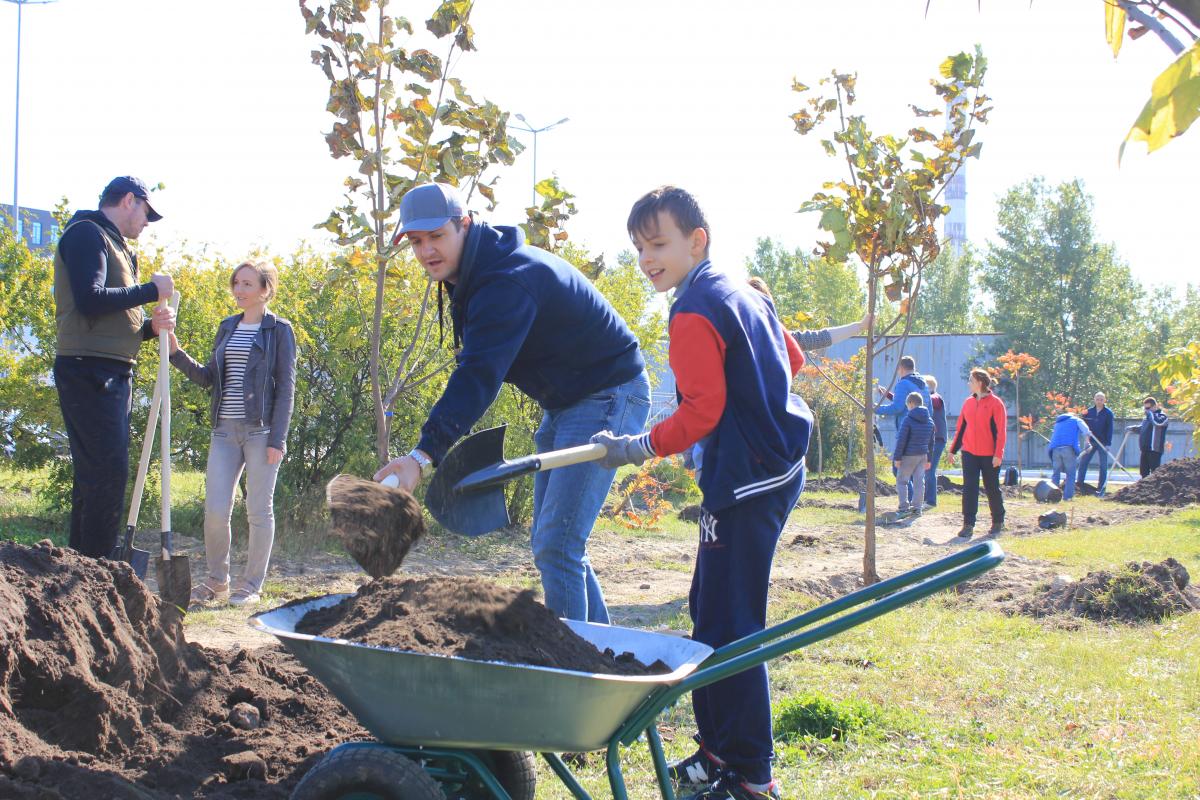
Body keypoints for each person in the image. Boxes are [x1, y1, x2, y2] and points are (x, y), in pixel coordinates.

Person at [592, 186, 811, 800]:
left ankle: (750, 775)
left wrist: (638, 445)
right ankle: (719, 751)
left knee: (730, 627)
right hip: (775, 468)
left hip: (747, 481)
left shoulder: (692, 311)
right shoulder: (740, 289)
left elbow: (701, 412)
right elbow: (791, 359)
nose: (646, 259)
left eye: (658, 244)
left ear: (697, 240)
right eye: (638, 248)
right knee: (708, 610)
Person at [374, 183, 649, 624]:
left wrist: (423, 456)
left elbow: (479, 377)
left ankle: (570, 678)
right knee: (556, 542)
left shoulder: (505, 280)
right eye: (416, 241)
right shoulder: (474, 272)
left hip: (609, 393)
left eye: (437, 236)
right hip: (566, 402)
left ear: (463, 225)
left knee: (558, 544)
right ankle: (603, 655)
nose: (426, 251)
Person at [52, 176, 176, 559]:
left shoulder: (118, 247)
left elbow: (112, 322)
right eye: (145, 212)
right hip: (88, 370)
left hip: (109, 370)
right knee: (106, 475)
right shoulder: (87, 234)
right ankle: (96, 572)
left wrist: (148, 330)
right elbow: (90, 300)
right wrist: (150, 291)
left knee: (97, 477)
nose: (146, 222)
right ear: (128, 200)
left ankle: (81, 570)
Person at [167, 261, 297, 606]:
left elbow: (286, 388)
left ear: (265, 290)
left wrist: (278, 440)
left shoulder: (278, 330)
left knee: (258, 511)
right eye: (236, 283)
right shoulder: (227, 327)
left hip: (261, 432)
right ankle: (216, 581)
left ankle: (252, 584)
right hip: (224, 431)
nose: (239, 290)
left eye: (247, 284)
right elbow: (209, 377)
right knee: (215, 509)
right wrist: (176, 354)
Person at [947, 368, 1006, 540]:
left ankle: (998, 521)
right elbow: (961, 428)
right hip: (970, 453)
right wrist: (953, 450)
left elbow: (1000, 432)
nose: (968, 383)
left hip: (990, 455)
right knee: (969, 488)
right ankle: (968, 524)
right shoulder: (968, 403)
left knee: (992, 488)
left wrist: (998, 454)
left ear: (980, 383)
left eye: (970, 381)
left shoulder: (996, 404)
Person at [874, 355, 932, 505]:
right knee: (918, 476)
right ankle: (917, 505)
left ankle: (906, 503)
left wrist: (875, 409)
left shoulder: (903, 383)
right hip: (923, 432)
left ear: (901, 368)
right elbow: (918, 405)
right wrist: (888, 395)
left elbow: (898, 407)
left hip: (907, 431)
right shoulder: (923, 383)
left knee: (898, 470)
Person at [893, 392, 934, 516]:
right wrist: (929, 459)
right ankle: (917, 508)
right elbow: (932, 442)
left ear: (911, 403)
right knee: (919, 482)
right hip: (923, 455)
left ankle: (903, 508)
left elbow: (901, 440)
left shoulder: (908, 419)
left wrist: (897, 457)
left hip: (908, 455)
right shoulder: (930, 421)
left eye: (907, 405)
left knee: (902, 481)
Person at [1047, 411, 1090, 501]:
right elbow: (1086, 431)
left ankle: (1053, 497)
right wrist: (1087, 443)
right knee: (1070, 474)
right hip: (1068, 449)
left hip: (1055, 449)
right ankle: (1068, 497)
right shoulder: (1076, 420)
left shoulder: (1058, 422)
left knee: (1056, 474)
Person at [1078, 392, 1114, 495]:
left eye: (1101, 399)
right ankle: (1079, 485)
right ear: (1094, 399)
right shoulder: (1088, 412)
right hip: (1091, 441)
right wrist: (1086, 441)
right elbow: (1084, 428)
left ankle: (1101, 489)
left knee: (1103, 465)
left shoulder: (1108, 413)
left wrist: (1108, 444)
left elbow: (1110, 429)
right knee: (1083, 462)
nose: (1099, 401)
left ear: (1104, 400)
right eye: (1097, 399)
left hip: (1102, 442)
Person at [1129, 396, 1169, 477]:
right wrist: (1134, 428)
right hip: (1145, 449)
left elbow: (1157, 423)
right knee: (1143, 473)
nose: (1146, 410)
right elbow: (1143, 429)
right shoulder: (1147, 418)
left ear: (1155, 406)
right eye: (1145, 408)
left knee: (1155, 473)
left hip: (1154, 450)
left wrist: (1150, 414)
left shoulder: (1162, 416)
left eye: (1148, 408)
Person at [924, 375, 948, 507]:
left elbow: (932, 401)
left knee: (930, 469)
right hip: (930, 440)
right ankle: (926, 498)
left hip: (938, 439)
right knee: (925, 469)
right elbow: (909, 402)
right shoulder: (927, 399)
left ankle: (931, 501)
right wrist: (889, 395)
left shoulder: (936, 398)